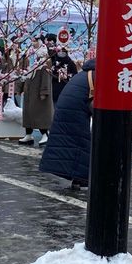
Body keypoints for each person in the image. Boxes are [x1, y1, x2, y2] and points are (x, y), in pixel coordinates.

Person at [40, 59, 95, 189]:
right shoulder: (97, 75)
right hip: (75, 112)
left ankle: (77, 177)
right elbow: (94, 103)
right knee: (81, 144)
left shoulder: (84, 74)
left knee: (71, 144)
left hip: (67, 110)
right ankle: (81, 178)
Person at [18, 39, 54, 145]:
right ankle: (28, 134)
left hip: (39, 92)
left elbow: (46, 77)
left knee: (41, 114)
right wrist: (21, 88)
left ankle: (45, 134)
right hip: (30, 91)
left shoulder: (45, 60)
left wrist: (44, 91)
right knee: (29, 114)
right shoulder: (32, 59)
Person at [49, 35, 78, 102]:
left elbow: (75, 76)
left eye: (63, 52)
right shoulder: (54, 63)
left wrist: (67, 76)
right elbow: (51, 75)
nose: (61, 53)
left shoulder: (71, 63)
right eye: (59, 52)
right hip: (55, 90)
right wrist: (56, 76)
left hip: (67, 90)